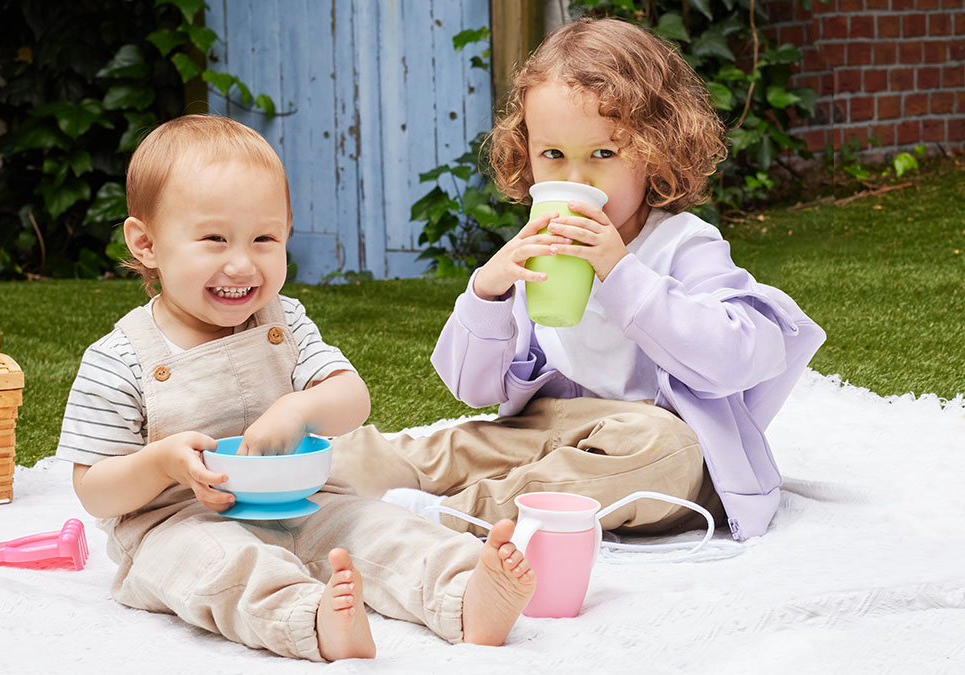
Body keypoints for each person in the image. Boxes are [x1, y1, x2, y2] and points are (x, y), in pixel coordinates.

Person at [55, 115, 536, 662]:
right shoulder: (121, 359)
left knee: (379, 528)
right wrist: (163, 463)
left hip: (303, 500)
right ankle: (309, 620)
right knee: (219, 567)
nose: (242, 262)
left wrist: (299, 405)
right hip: (181, 519)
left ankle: (467, 593)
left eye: (265, 238)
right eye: (214, 239)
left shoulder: (283, 323)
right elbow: (94, 488)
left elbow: (354, 400)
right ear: (145, 243)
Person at [330, 18, 825, 542]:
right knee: (440, 446)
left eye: (603, 155)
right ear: (528, 154)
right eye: (553, 156)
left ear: (657, 151)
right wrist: (488, 291)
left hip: (657, 454)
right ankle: (286, 478)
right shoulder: (538, 251)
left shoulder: (682, 244)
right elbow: (472, 389)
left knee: (662, 447)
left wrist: (621, 272)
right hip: (552, 430)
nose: (574, 180)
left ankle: (457, 515)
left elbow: (738, 356)